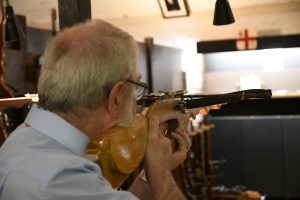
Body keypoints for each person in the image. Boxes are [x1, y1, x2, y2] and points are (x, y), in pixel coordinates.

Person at [0, 19, 191, 200]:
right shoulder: (64, 178)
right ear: (115, 98)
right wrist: (161, 172)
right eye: (136, 86)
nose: (136, 98)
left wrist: (150, 176)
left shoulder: (22, 139)